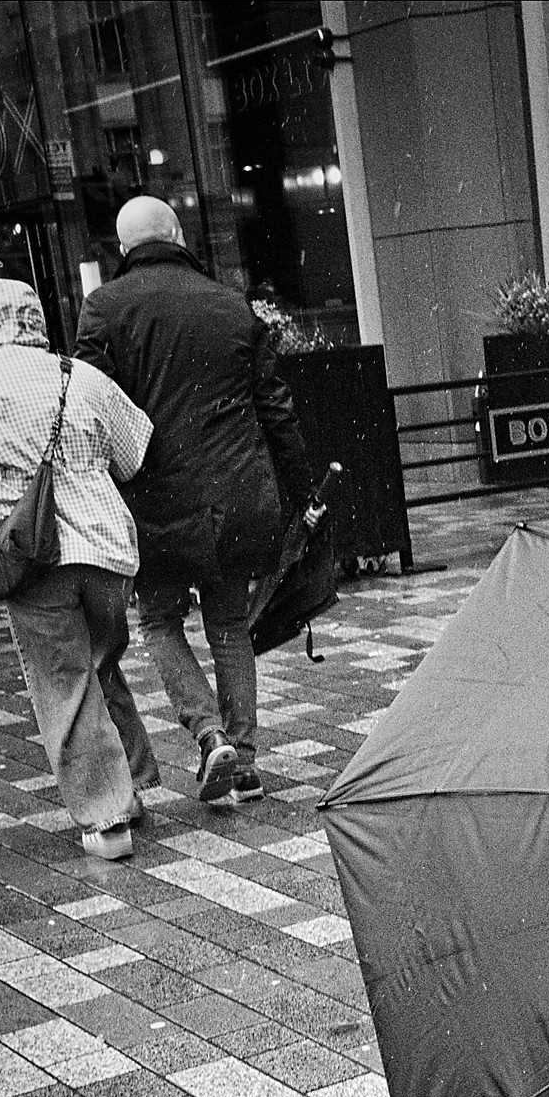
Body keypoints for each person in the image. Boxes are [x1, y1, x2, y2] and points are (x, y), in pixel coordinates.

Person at [74, 195, 325, 805]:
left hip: (156, 500)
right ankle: (244, 760)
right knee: (229, 625)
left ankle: (210, 734)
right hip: (239, 493)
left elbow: (90, 411)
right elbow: (276, 413)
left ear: (123, 247)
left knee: (160, 620)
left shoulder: (105, 309)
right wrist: (302, 491)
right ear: (179, 234)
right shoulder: (231, 305)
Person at [0, 278, 160, 862]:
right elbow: (134, 451)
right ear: (39, 321)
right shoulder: (83, 376)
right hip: (109, 548)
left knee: (63, 679)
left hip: (33, 548)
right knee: (98, 659)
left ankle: (107, 817)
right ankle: (135, 779)